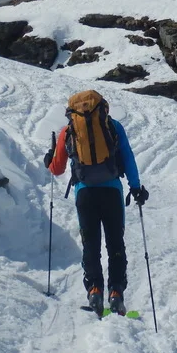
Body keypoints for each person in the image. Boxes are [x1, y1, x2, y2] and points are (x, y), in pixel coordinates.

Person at [45, 90, 148, 315]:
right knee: (115, 243)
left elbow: (57, 168)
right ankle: (116, 294)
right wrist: (136, 187)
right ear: (102, 107)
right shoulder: (113, 126)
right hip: (112, 192)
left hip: (85, 194)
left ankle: (94, 292)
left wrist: (49, 159)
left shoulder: (68, 131)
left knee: (90, 244)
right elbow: (128, 157)